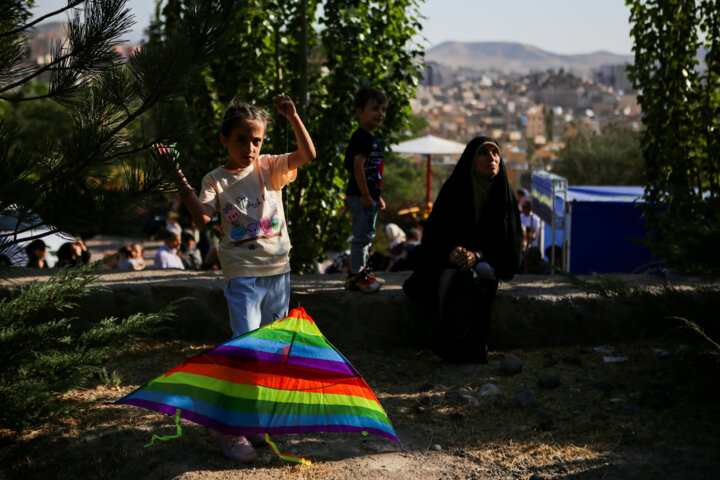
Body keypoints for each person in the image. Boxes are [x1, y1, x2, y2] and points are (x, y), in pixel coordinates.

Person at [151, 93, 315, 463]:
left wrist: (292, 117)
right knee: (247, 353)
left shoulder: (270, 167)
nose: (250, 147)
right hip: (243, 275)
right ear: (225, 139)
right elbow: (202, 217)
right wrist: (176, 173)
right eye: (242, 139)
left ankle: (249, 418)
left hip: (279, 272)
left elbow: (307, 155)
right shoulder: (216, 179)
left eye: (256, 139)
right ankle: (227, 424)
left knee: (271, 354)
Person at [403, 136, 523, 364]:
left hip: (489, 259)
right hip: (451, 258)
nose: (491, 158)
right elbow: (435, 233)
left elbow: (508, 243)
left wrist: (477, 255)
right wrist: (452, 251)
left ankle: (475, 347)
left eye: (495, 153)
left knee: (484, 275)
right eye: (484, 153)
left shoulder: (503, 194)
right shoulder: (455, 188)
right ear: (471, 159)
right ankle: (448, 346)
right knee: (456, 277)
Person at [344, 87, 388, 293]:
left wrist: (377, 197)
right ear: (359, 112)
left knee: (367, 236)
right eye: (374, 109)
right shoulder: (361, 137)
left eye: (382, 109)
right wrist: (365, 195)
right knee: (361, 237)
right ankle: (356, 275)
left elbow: (373, 173)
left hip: (369, 197)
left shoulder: (372, 139)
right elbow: (358, 166)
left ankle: (363, 272)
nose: (380, 113)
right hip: (361, 196)